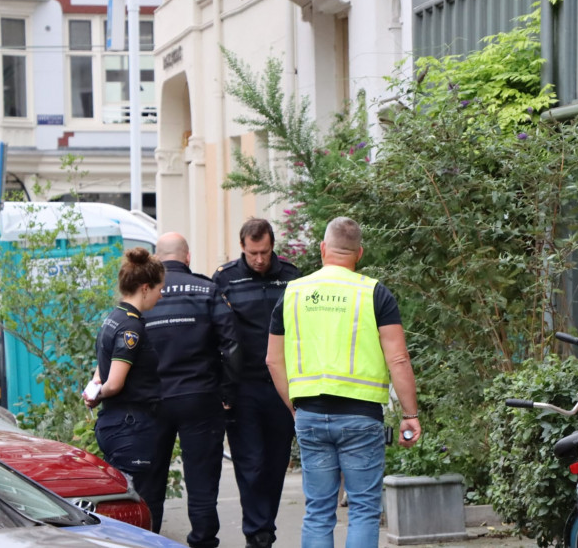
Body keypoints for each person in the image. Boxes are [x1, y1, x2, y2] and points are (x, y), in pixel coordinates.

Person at [266, 216, 421, 548]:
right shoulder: (374, 293)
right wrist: (410, 415)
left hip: (309, 414)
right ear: (359, 254)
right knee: (364, 510)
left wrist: (294, 407)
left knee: (319, 511)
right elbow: (398, 359)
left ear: (323, 249)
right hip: (360, 417)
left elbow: (272, 360)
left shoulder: (293, 293)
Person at [139, 232, 242, 548]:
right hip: (200, 397)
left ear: (156, 260)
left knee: (150, 482)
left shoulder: (143, 297)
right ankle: (202, 541)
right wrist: (227, 392)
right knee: (202, 480)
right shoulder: (207, 290)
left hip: (152, 401)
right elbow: (232, 345)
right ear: (187, 257)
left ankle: (147, 540)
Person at [212, 218, 300, 548]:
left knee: (276, 463)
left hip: (281, 385)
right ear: (242, 249)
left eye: (264, 252)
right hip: (243, 385)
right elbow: (218, 333)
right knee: (250, 462)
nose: (259, 260)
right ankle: (257, 533)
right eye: (252, 254)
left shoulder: (291, 277)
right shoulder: (226, 279)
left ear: (272, 246)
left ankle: (265, 527)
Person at [83, 247, 165, 498]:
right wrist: (98, 394)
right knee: (141, 502)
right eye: (159, 289)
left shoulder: (113, 318)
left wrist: (95, 387)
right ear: (145, 288)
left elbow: (102, 368)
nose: (160, 296)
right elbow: (115, 382)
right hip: (132, 427)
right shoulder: (132, 327)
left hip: (116, 424)